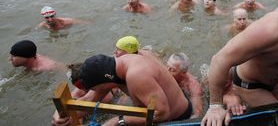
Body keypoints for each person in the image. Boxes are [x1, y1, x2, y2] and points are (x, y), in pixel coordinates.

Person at [52, 54, 193, 125]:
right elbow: (90, 98)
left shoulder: (136, 75)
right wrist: (63, 114)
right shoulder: (114, 67)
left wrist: (117, 121)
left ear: (105, 82)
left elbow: (162, 113)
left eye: (96, 88)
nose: (96, 91)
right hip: (155, 111)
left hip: (177, 119)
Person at [166, 53, 204, 119]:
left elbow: (197, 114)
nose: (166, 71)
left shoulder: (193, 87)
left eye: (172, 70)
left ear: (183, 73)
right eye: (167, 66)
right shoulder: (167, 71)